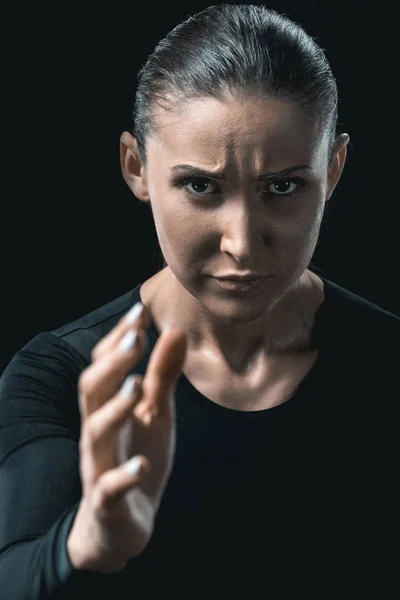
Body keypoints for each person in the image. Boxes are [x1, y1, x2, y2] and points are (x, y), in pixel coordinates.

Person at [0, 3, 398, 597]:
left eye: (282, 187)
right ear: (136, 167)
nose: (241, 243)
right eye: (201, 186)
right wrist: (85, 542)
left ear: (333, 168)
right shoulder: (55, 375)